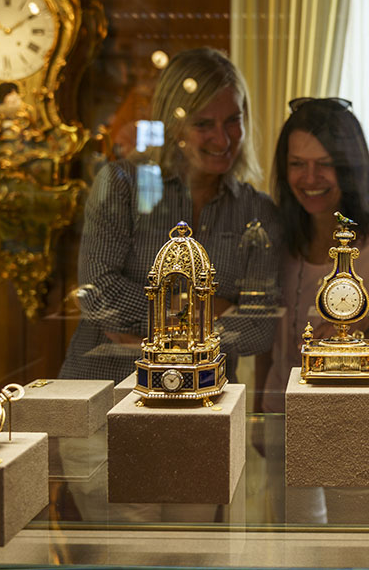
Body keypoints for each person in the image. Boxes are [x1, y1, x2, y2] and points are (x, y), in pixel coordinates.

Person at [59, 47, 282, 383]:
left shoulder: (257, 210)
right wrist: (212, 310)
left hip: (204, 399)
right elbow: (99, 292)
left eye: (233, 120)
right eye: (204, 123)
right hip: (105, 390)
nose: (222, 138)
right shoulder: (122, 185)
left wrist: (146, 323)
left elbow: (259, 327)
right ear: (174, 125)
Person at [259, 97, 369, 413]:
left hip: (355, 430)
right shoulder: (277, 237)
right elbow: (267, 343)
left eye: (325, 164)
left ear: (350, 168)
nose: (310, 178)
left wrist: (361, 326)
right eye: (298, 164)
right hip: (276, 425)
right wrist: (257, 413)